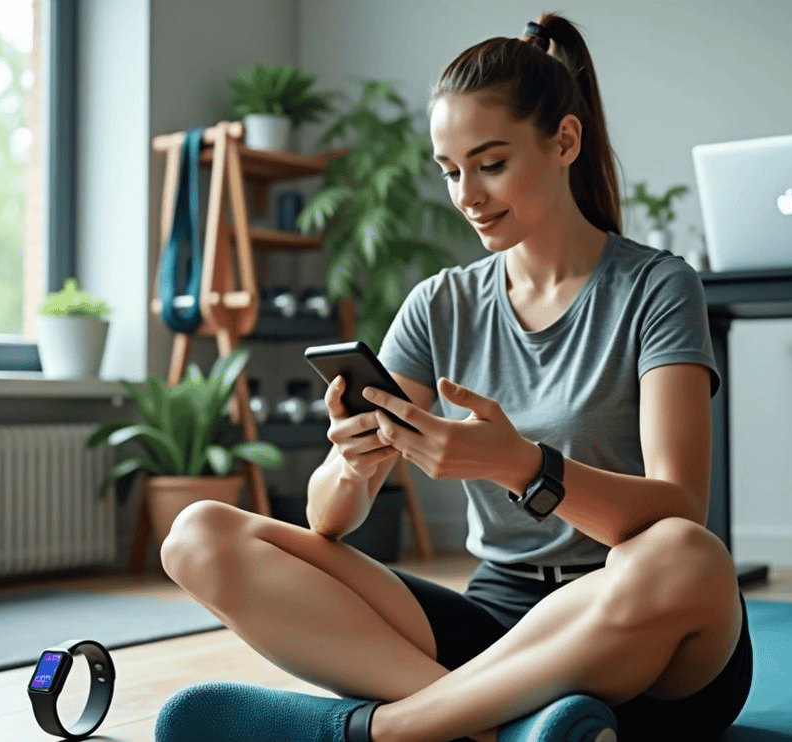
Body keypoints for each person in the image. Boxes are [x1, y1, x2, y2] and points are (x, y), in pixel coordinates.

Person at [154, 12, 752, 742]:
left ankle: (389, 731)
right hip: (496, 626)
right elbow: (329, 523)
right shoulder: (440, 303)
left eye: (491, 163)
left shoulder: (658, 288)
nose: (466, 194)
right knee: (197, 534)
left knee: (688, 556)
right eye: (450, 171)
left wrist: (525, 467)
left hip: (642, 632)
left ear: (564, 140)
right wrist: (354, 461)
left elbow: (679, 506)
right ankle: (504, 728)